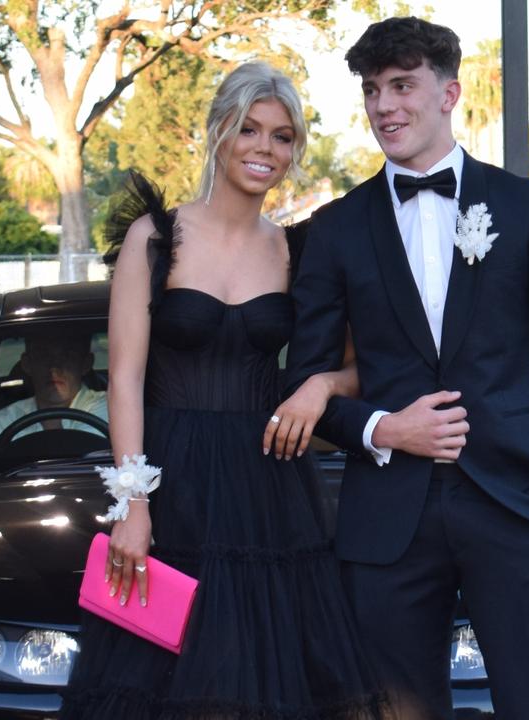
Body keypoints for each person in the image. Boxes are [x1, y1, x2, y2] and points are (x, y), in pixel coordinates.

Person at [282, 17, 529, 720]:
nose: (384, 106)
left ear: (450, 91)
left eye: (402, 85)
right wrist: (384, 429)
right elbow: (306, 380)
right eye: (372, 90)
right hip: (386, 523)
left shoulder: (526, 209)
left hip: (514, 510)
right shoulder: (334, 230)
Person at [60, 62, 385, 719]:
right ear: (217, 132)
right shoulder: (154, 238)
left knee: (268, 687)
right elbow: (123, 378)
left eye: (283, 136)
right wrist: (133, 504)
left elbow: (366, 365)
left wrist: (319, 385)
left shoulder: (300, 253)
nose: (265, 148)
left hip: (270, 491)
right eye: (249, 129)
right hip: (170, 486)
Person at [0, 333, 107, 458]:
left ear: (85, 364)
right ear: (27, 364)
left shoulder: (107, 406)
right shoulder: (0, 421)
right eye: (44, 356)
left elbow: (78, 456)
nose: (54, 367)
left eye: (67, 356)